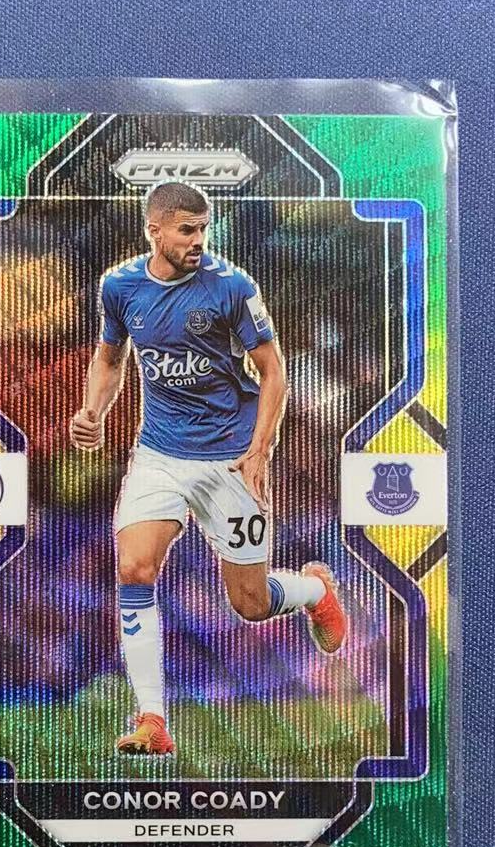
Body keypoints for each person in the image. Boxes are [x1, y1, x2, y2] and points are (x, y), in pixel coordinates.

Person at [68, 182, 347, 757]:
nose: (199, 240)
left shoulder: (231, 287)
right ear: (155, 231)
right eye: (187, 230)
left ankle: (314, 589)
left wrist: (260, 450)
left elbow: (273, 371)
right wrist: (92, 410)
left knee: (249, 604)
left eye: (203, 229)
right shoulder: (120, 287)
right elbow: (110, 358)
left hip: (230, 457)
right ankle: (152, 719)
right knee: (134, 567)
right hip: (160, 455)